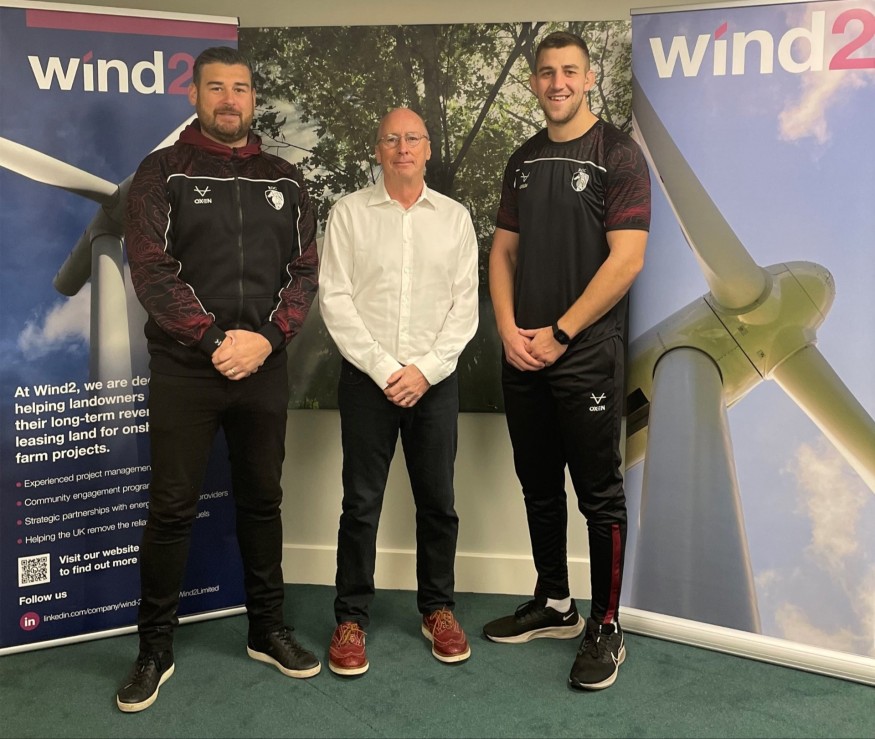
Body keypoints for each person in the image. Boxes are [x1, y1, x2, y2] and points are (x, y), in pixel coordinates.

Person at [116, 46, 321, 713]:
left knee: (262, 500)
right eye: (216, 87)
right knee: (171, 507)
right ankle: (154, 649)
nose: (229, 99)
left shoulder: (285, 178)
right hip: (186, 368)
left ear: (253, 98)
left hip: (262, 364)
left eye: (240, 88)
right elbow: (150, 270)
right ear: (194, 95)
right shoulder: (161, 172)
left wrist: (267, 338)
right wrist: (212, 340)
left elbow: (304, 272)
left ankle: (267, 629)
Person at [483, 31, 651, 691]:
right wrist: (507, 328)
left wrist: (560, 331)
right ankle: (554, 601)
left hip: (584, 354)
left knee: (598, 494)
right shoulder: (523, 159)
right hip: (522, 351)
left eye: (569, 72)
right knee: (537, 484)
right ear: (534, 82)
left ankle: (606, 625)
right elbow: (502, 251)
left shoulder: (617, 154)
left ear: (587, 79)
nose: (557, 83)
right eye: (547, 72)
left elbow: (627, 260)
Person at [318, 107, 479, 676]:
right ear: (378, 149)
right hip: (368, 382)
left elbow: (465, 306)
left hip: (435, 384)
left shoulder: (455, 219)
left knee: (438, 502)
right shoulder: (349, 214)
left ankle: (438, 609)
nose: (402, 147)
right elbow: (335, 299)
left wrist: (425, 371)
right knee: (360, 504)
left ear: (428, 148)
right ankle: (350, 618)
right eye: (391, 138)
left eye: (412, 138)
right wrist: (387, 369)